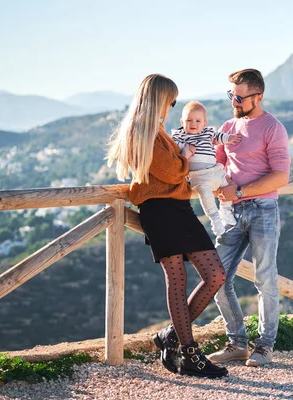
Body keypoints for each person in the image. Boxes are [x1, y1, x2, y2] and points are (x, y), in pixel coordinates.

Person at [105, 74, 228, 378]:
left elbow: (173, 173)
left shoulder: (157, 130)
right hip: (159, 210)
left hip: (178, 207)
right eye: (171, 100)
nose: (172, 106)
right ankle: (189, 353)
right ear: (159, 99)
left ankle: (170, 337)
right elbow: (172, 172)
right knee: (177, 279)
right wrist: (185, 159)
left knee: (215, 275)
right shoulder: (140, 131)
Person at [208, 68, 290, 367]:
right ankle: (238, 343)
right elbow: (213, 165)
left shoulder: (273, 127)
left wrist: (239, 191)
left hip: (262, 210)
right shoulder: (227, 126)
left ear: (258, 96)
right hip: (229, 213)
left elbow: (281, 175)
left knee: (264, 279)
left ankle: (265, 346)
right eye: (231, 95)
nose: (234, 101)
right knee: (215, 278)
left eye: (239, 97)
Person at [171, 101, 243, 236]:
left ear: (205, 123)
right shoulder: (180, 137)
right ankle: (215, 219)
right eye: (189, 120)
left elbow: (220, 136)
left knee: (227, 186)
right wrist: (183, 150)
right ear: (182, 122)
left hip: (215, 171)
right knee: (206, 195)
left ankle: (226, 210)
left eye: (198, 121)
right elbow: (172, 149)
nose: (193, 124)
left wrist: (230, 138)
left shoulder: (208, 133)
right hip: (198, 176)